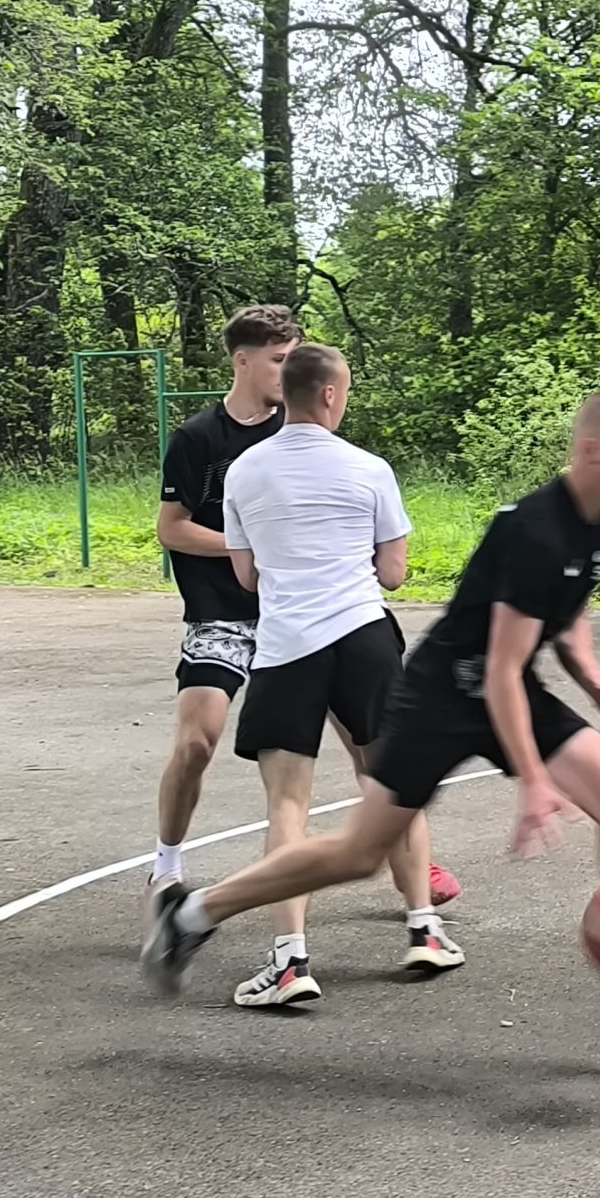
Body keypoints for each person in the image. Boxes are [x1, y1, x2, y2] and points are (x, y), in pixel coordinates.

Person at [146, 391, 600, 1056]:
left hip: (506, 687)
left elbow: (567, 611)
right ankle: (193, 913)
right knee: (358, 854)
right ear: (592, 451)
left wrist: (598, 685)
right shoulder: (534, 529)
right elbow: (498, 671)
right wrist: (535, 782)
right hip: (440, 699)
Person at [147, 308, 457, 916]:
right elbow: (172, 529)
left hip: (300, 613)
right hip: (224, 612)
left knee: (371, 752)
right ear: (243, 362)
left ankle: (413, 882)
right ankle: (167, 865)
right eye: (279, 359)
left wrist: (284, 552)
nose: (290, 370)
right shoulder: (199, 439)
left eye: (294, 360)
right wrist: (260, 546)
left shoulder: (301, 428)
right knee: (197, 742)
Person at [216, 343, 462, 1007]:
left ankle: (290, 961)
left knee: (287, 805)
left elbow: (247, 576)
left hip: (287, 647)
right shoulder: (369, 468)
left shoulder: (244, 470)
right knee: (392, 785)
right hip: (363, 640)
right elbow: (393, 574)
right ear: (329, 394)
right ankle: (424, 929)